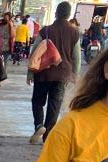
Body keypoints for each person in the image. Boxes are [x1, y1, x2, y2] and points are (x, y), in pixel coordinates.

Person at [27, 2, 81, 144]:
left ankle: (39, 125)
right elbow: (77, 58)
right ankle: (48, 136)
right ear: (69, 15)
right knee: (54, 104)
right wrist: (74, 75)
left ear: (56, 13)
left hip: (43, 73)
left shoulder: (46, 30)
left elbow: (34, 52)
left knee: (38, 101)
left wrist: (30, 72)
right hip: (62, 75)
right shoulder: (75, 32)